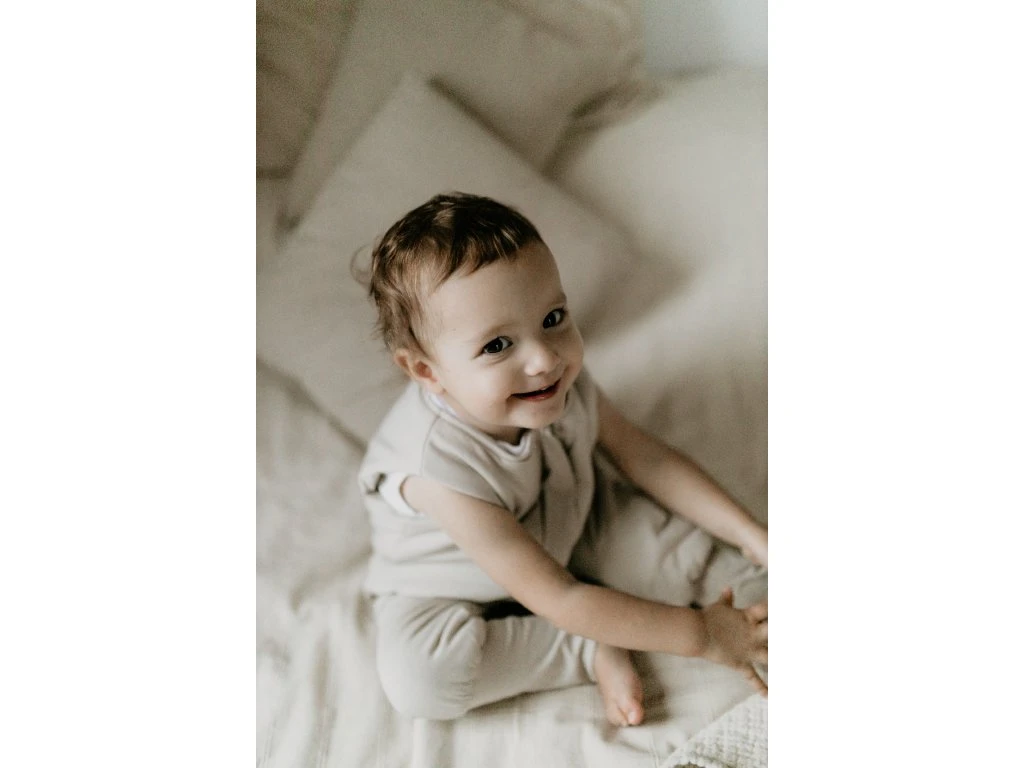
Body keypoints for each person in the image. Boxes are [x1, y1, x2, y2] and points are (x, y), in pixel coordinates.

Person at [358, 192, 768, 727]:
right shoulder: (436, 472)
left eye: (553, 317)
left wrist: (752, 534)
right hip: (453, 583)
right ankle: (586, 648)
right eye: (497, 346)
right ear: (426, 371)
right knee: (421, 678)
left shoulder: (550, 381)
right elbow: (558, 595)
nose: (545, 357)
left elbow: (646, 459)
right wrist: (702, 635)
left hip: (564, 513)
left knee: (682, 561)